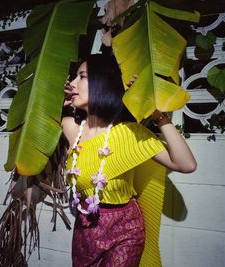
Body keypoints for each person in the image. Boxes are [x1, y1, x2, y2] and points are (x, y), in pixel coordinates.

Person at [62, 53, 196, 267]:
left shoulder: (130, 134)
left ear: (102, 82)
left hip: (125, 229)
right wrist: (65, 102)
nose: (73, 83)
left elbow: (186, 164)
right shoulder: (72, 130)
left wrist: (158, 116)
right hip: (85, 228)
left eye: (82, 76)